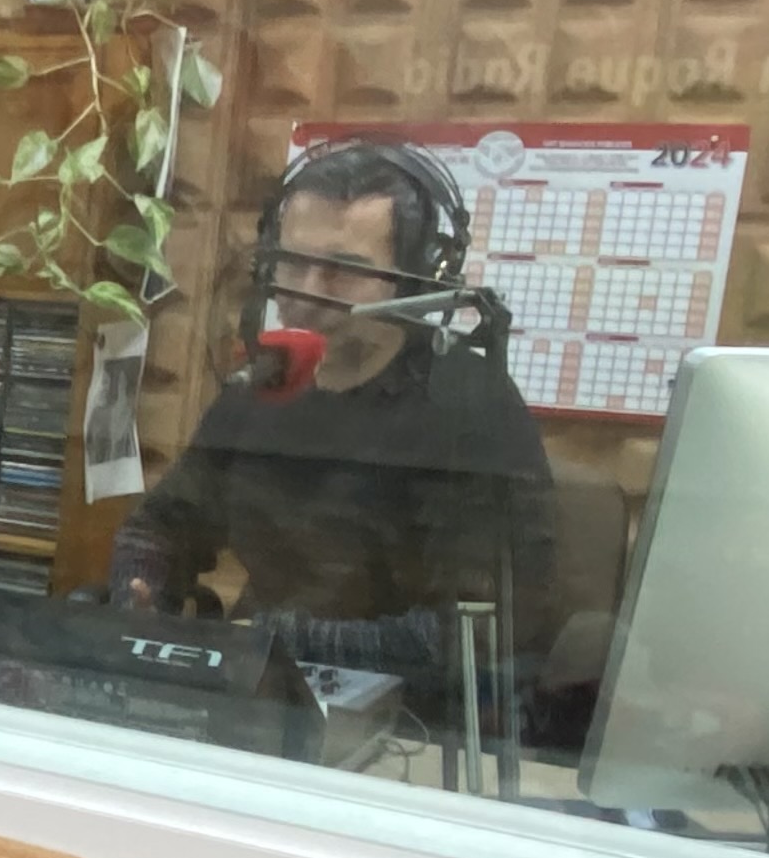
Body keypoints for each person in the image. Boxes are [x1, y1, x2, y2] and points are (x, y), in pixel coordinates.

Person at [107, 140, 557, 718]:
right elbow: (161, 527)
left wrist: (279, 639)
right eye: (292, 262)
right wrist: (140, 596)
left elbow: (476, 631)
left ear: (417, 279)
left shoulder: (470, 405)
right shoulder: (263, 384)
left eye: (344, 269)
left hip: (417, 720)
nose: (308, 292)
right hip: (267, 693)